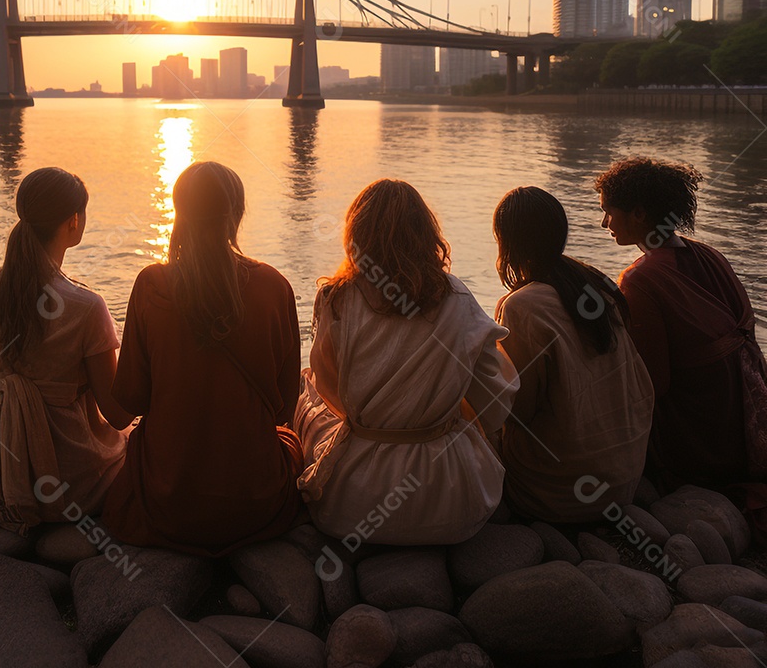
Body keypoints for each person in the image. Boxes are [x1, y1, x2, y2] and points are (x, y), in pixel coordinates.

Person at [294, 179, 519, 545]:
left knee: (307, 385)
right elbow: (494, 400)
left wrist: (375, 418)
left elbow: (330, 391)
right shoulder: (458, 298)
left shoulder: (336, 298)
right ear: (426, 234)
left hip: (352, 505)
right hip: (450, 504)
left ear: (356, 236)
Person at [100, 161, 302, 555]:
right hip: (256, 503)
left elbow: (131, 399)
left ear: (179, 212)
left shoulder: (151, 285)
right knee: (294, 437)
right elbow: (284, 409)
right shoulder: (274, 286)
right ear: (236, 214)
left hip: (169, 501)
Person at [0, 168, 131, 538]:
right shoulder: (87, 307)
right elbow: (116, 415)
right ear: (74, 221)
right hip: (70, 482)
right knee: (138, 437)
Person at [595, 156, 767, 491]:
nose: (604, 223)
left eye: (608, 212)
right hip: (739, 418)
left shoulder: (641, 279)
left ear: (639, 213)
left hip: (703, 443)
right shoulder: (709, 254)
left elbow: (653, 385)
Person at [492, 186, 654, 522]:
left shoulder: (522, 306)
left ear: (506, 241)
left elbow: (518, 410)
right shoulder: (596, 284)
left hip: (561, 491)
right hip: (625, 476)